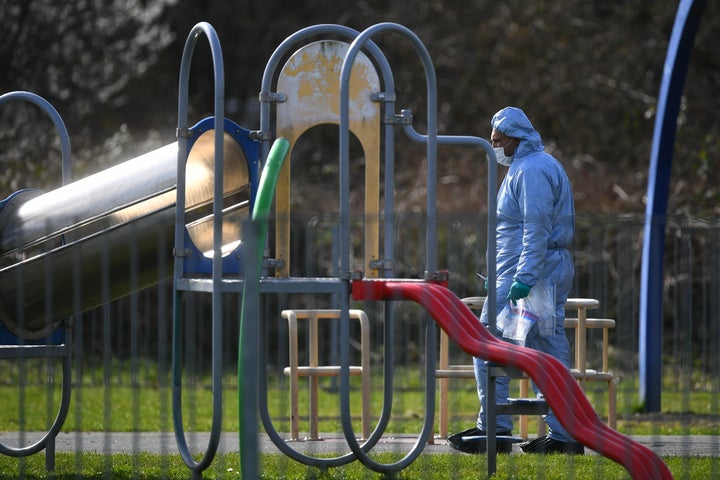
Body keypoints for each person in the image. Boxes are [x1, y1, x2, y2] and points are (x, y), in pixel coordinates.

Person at [448, 106, 582, 455]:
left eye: (497, 139)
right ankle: (563, 433)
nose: (494, 145)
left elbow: (535, 229)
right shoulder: (532, 166)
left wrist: (521, 279)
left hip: (531, 275)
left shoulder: (532, 170)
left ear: (514, 137)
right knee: (545, 349)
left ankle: (494, 428)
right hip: (536, 272)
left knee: (485, 342)